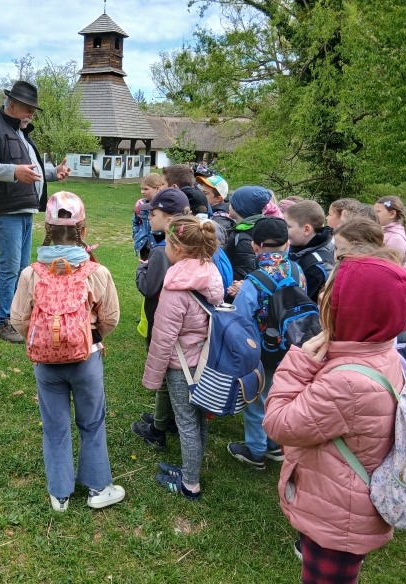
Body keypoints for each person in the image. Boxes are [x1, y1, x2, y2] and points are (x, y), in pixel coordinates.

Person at [263, 254, 406, 584]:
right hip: (347, 499)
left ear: (352, 311)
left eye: (331, 294)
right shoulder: (382, 348)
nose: (320, 295)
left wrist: (299, 362)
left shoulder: (348, 382)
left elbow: (279, 423)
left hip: (338, 516)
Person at [10, 191, 123, 512]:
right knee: (92, 423)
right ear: (83, 231)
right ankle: (98, 488)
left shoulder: (31, 274)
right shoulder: (96, 273)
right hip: (87, 358)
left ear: (45, 228)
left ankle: (59, 494)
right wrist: (91, 337)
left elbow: (18, 319)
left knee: (55, 426)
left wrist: (43, 339)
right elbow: (111, 317)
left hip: (46, 364)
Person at [0, 81, 71, 343]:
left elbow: (30, 170)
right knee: (10, 269)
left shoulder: (21, 132)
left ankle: (17, 317)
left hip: (24, 210)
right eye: (28, 108)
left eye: (34, 110)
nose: (32, 114)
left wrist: (53, 173)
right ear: (12, 105)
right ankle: (2, 322)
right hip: (5, 211)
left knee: (22, 269)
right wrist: (13, 172)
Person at [141, 214, 223, 500]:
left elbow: (163, 336)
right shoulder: (210, 273)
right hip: (206, 360)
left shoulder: (177, 285)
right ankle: (191, 469)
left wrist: (152, 377)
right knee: (198, 419)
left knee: (186, 423)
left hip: (183, 367)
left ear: (178, 249)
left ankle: (190, 483)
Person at [227, 217, 306, 469]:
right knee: (279, 396)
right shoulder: (297, 271)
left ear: (255, 247)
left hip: (263, 353)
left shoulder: (254, 280)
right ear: (287, 244)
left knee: (256, 400)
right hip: (293, 349)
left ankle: (255, 450)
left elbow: (239, 320)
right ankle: (274, 444)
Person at [132, 188, 192, 450]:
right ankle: (166, 419)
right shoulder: (194, 243)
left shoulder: (160, 251)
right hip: (186, 323)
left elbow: (149, 287)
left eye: (153, 213)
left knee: (166, 378)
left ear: (168, 219)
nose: (149, 217)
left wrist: (141, 268)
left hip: (162, 322)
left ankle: (158, 427)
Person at [225, 185, 274, 295]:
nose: (229, 205)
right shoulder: (247, 229)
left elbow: (246, 270)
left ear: (239, 208)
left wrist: (231, 286)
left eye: (232, 203)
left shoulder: (244, 238)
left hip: (236, 292)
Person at [285, 200, 335, 301]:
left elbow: (298, 303)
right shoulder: (300, 247)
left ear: (307, 229)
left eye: (288, 226)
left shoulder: (315, 269)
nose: (284, 230)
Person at [374, 195, 406, 269]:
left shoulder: (396, 239)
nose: (374, 214)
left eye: (378, 212)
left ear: (392, 214)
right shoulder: (383, 231)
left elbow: (391, 267)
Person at [133, 173, 165, 260]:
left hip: (159, 245)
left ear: (158, 188)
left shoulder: (164, 205)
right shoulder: (141, 205)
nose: (142, 192)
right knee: (144, 270)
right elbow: (136, 221)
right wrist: (136, 234)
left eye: (146, 189)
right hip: (144, 246)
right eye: (141, 189)